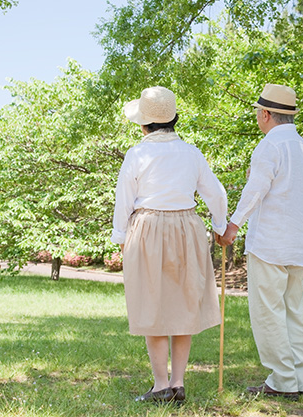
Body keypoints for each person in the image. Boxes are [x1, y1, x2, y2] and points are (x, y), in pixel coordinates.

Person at [111, 86, 227, 403]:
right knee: (184, 303)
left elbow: (124, 200)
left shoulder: (137, 154)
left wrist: (120, 237)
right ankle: (177, 382)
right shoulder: (192, 153)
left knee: (153, 304)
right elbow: (216, 193)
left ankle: (162, 384)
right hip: (186, 227)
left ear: (144, 123)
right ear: (173, 119)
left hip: (147, 227)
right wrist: (220, 226)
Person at [217, 84, 303, 400]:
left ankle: (283, 380)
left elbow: (256, 190)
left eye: (259, 113)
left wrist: (232, 225)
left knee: (268, 312)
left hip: (270, 243)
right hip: (298, 243)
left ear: (266, 114)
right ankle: (302, 378)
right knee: (294, 310)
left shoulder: (270, 146)